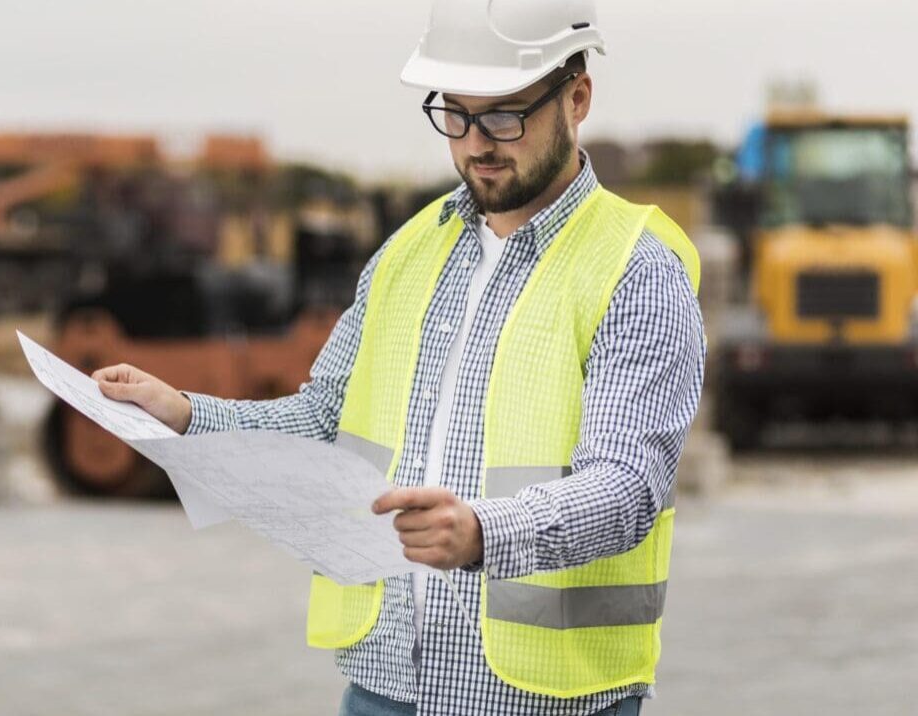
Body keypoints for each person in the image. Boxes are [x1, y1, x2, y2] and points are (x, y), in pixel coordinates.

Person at [92, 1, 706, 713]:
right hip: (386, 687)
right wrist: (188, 416)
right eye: (456, 114)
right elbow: (326, 420)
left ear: (577, 97)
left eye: (505, 116)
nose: (477, 143)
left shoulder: (635, 269)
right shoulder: (407, 253)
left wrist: (482, 532)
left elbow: (628, 485)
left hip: (547, 695)